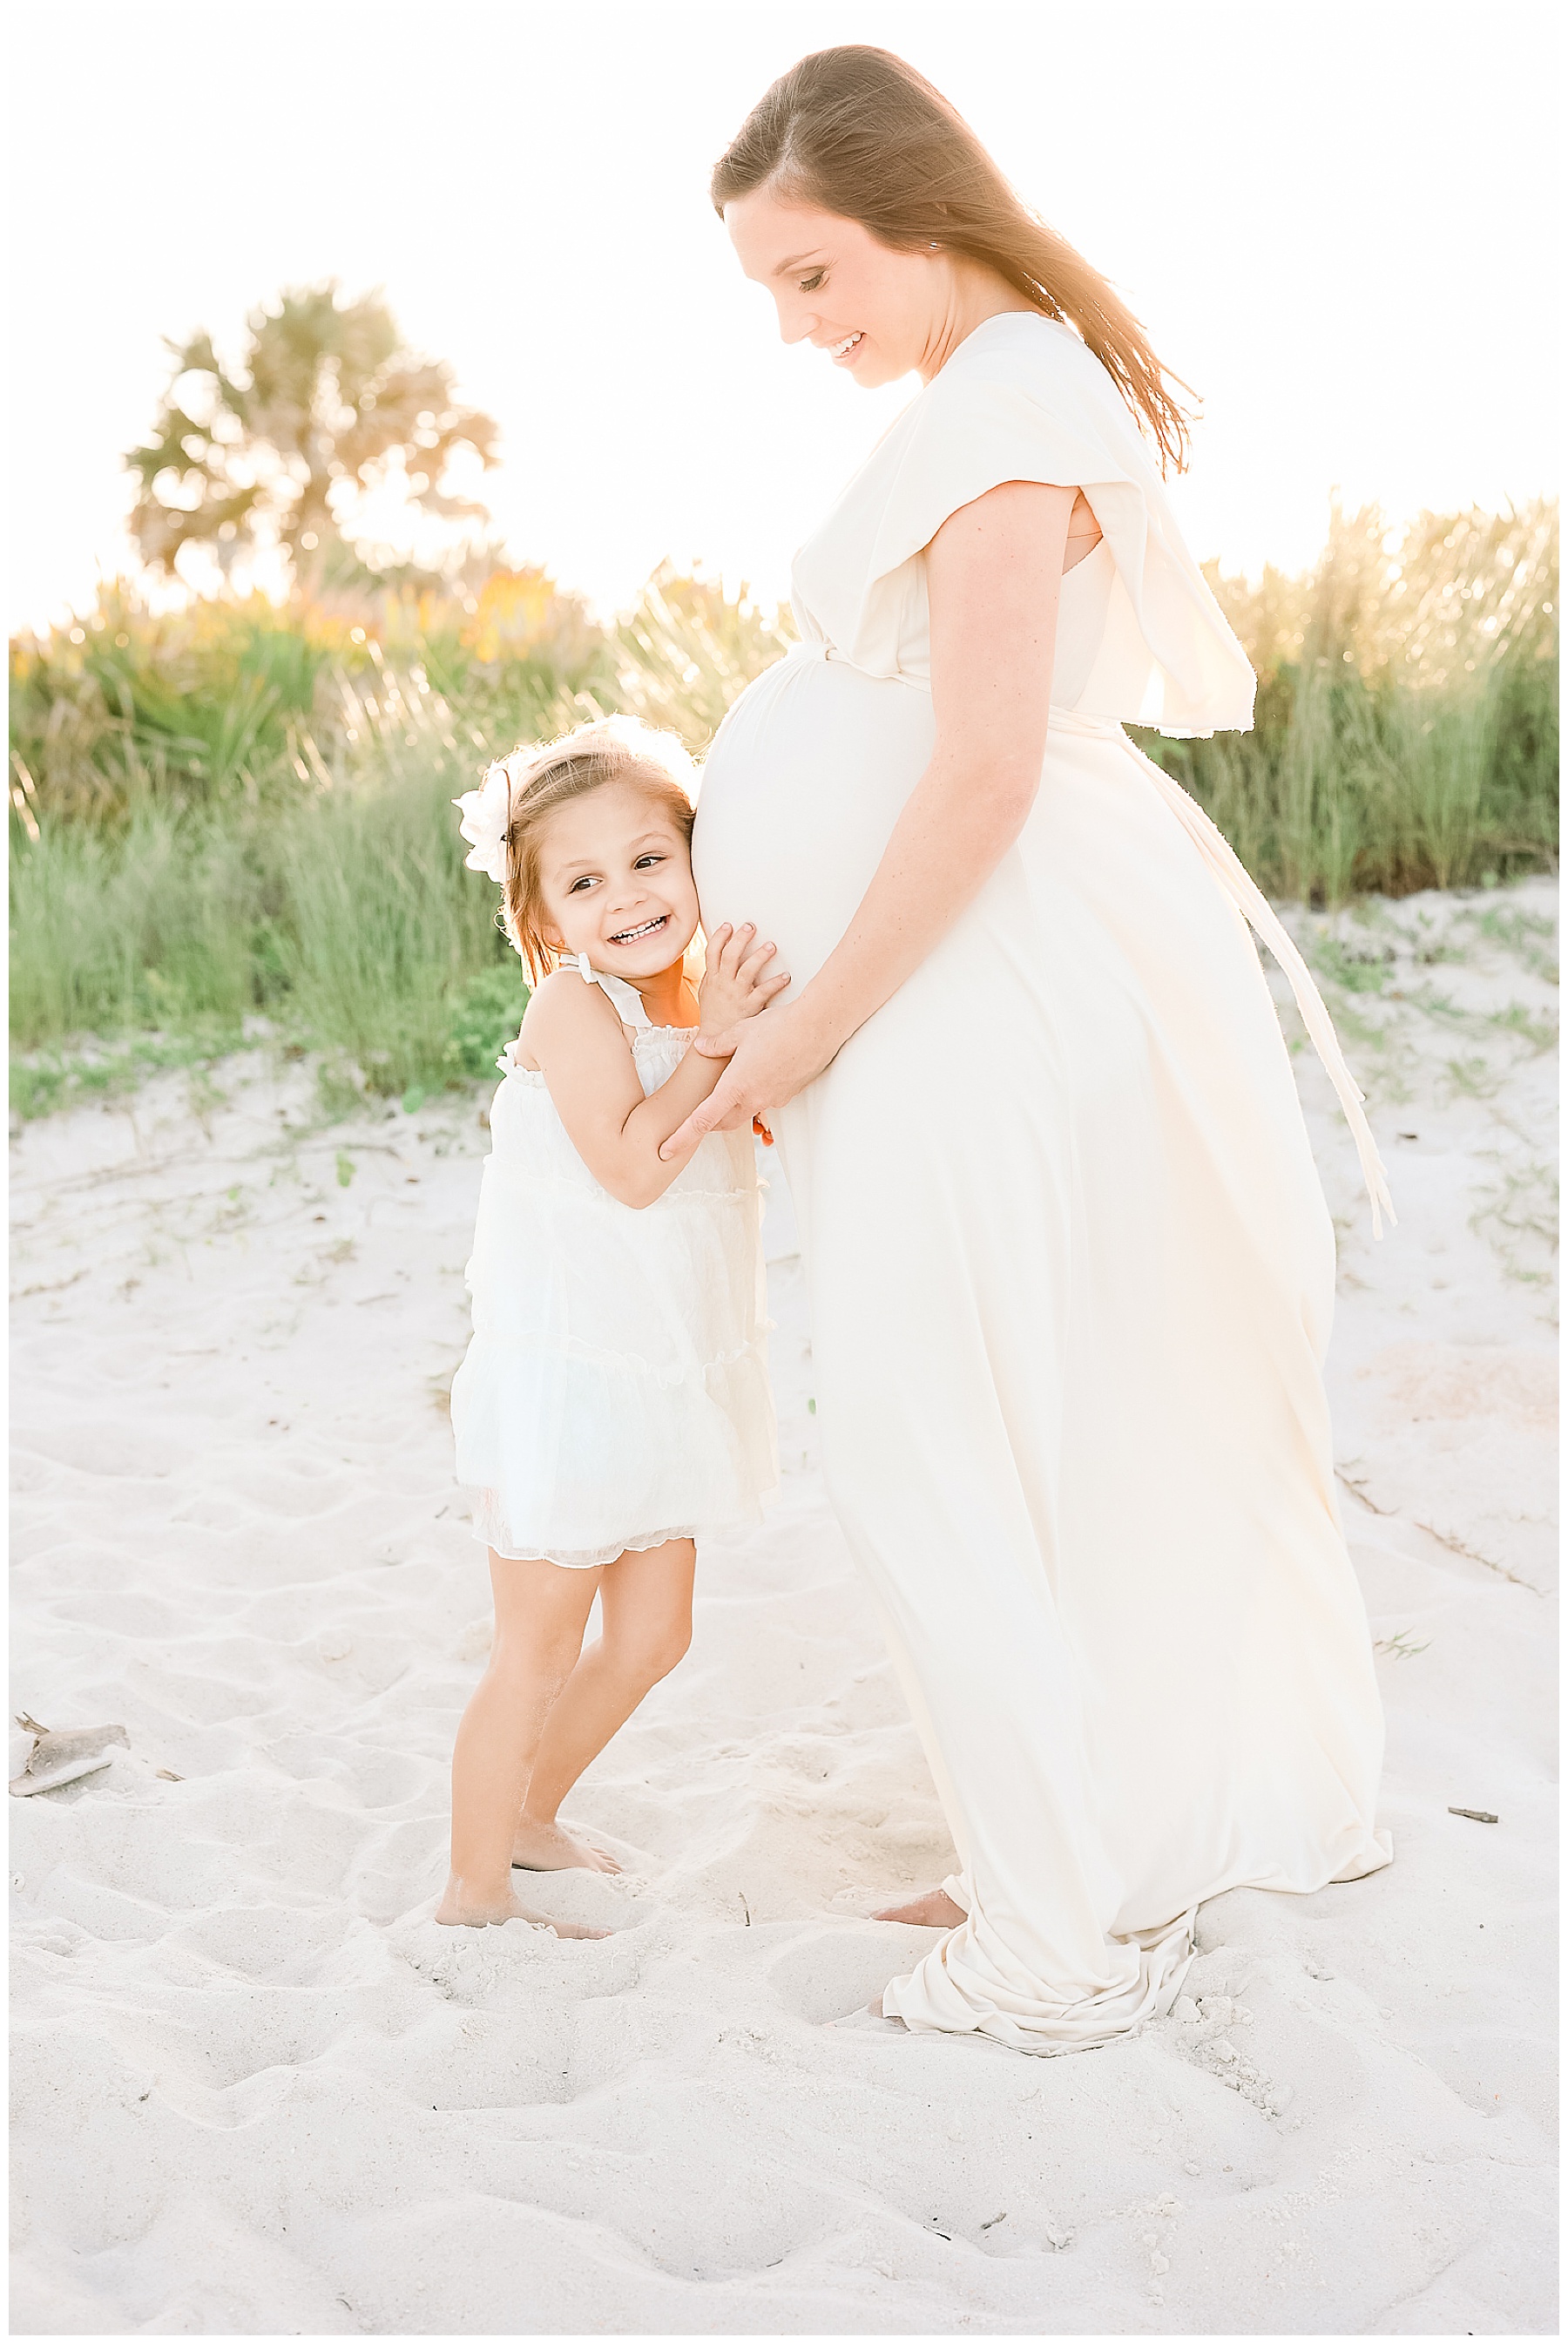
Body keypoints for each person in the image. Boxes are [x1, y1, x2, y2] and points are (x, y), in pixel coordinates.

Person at [673, 46, 1394, 2049]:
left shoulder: (1005, 410)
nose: (800, 330)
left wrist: (804, 1022)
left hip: (959, 983)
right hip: (942, 983)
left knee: (929, 1415)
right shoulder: (1001, 389)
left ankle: (1049, 1940)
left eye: (813, 277)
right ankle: (1043, 1840)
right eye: (772, 295)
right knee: (990, 1409)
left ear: (915, 207)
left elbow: (982, 770)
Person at [437, 717, 781, 1929]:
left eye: (650, 860)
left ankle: (532, 1813)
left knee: (653, 1636)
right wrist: (719, 1050)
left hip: (666, 1369)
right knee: (532, 1652)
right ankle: (472, 1895)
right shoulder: (574, 1013)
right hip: (572, 1376)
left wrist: (729, 1039)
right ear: (544, 924)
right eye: (584, 883)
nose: (627, 897)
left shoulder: (694, 994)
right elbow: (636, 1167)